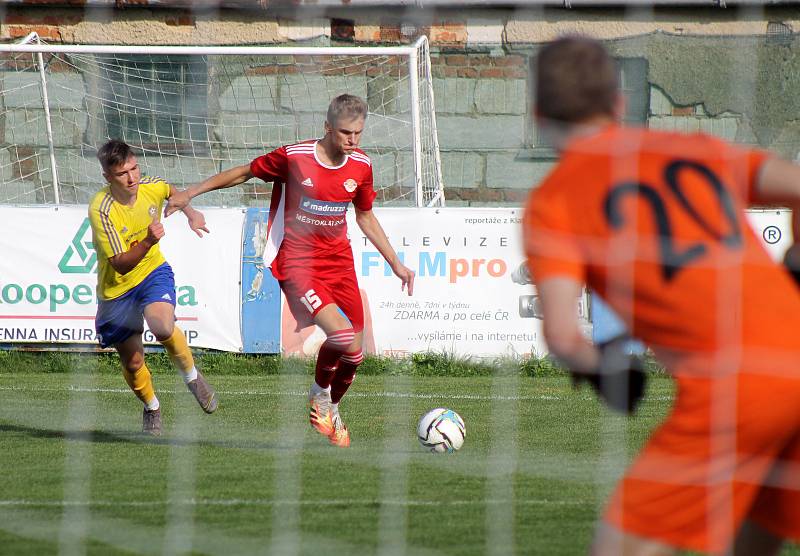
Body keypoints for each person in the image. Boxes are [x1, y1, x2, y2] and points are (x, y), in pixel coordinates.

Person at [523, 36, 800, 555]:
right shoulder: (691, 149)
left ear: (539, 115)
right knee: (756, 535)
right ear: (619, 104)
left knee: (620, 547)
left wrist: (603, 369)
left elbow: (562, 332)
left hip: (740, 383)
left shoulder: (554, 202)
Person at [165, 94, 415, 448]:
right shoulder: (294, 157)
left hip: (339, 262)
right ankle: (318, 394)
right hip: (299, 262)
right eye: (345, 132)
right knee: (341, 337)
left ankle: (331, 407)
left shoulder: (361, 165)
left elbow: (364, 216)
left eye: (358, 133)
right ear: (327, 127)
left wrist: (396, 263)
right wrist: (191, 192)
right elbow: (243, 173)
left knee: (355, 354)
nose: (352, 140)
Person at [89, 139, 219, 437]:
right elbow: (120, 264)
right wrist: (148, 240)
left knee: (162, 326)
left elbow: (173, 193)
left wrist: (192, 214)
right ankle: (151, 407)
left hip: (152, 273)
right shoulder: (101, 208)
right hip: (117, 290)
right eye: (123, 174)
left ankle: (192, 377)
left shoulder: (152, 186)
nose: (132, 178)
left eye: (135, 168)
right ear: (108, 178)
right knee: (134, 362)